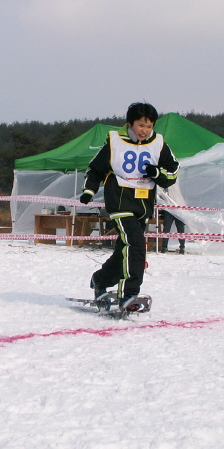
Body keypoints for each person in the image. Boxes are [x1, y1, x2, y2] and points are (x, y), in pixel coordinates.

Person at [80, 102, 179, 310]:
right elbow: (95, 169)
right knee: (135, 245)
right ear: (130, 123)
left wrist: (157, 174)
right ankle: (130, 292)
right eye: (141, 125)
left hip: (143, 205)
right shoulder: (115, 142)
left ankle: (100, 279)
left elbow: (172, 173)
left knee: (124, 250)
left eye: (149, 126)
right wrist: (89, 190)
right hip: (120, 201)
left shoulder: (159, 144)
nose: (145, 130)